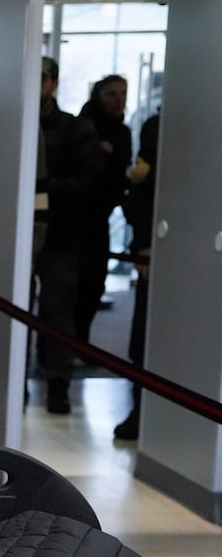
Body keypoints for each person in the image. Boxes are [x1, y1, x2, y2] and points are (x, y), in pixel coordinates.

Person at [34, 57, 107, 415]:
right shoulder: (10, 125)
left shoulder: (75, 129)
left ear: (53, 84)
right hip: (14, 234)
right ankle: (9, 381)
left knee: (58, 310)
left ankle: (58, 381)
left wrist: (44, 191)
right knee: (4, 308)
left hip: (60, 234)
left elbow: (91, 179)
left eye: (42, 79)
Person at [114, 109, 160, 441]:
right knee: (146, 337)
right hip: (159, 247)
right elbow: (141, 192)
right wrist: (143, 243)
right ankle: (141, 410)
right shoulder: (158, 127)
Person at [76, 74, 133, 341]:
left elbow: (120, 172)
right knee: (71, 286)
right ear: (99, 96)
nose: (118, 100)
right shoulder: (81, 127)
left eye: (123, 93)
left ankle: (80, 341)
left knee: (94, 283)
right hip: (74, 218)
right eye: (111, 94)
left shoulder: (122, 132)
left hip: (100, 216)